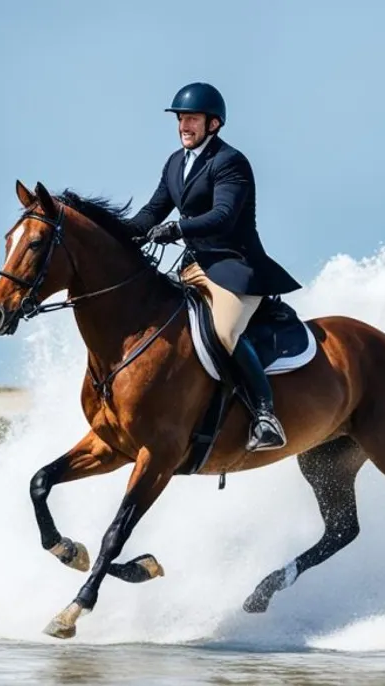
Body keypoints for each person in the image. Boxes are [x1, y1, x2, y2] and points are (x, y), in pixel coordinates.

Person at [128, 82, 302, 452]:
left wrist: (177, 228)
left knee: (224, 332)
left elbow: (222, 216)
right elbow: (152, 212)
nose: (184, 126)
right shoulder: (176, 163)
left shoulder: (230, 162)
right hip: (193, 268)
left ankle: (266, 416)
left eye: (192, 119)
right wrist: (118, 233)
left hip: (234, 269)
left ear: (213, 124)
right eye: (180, 119)